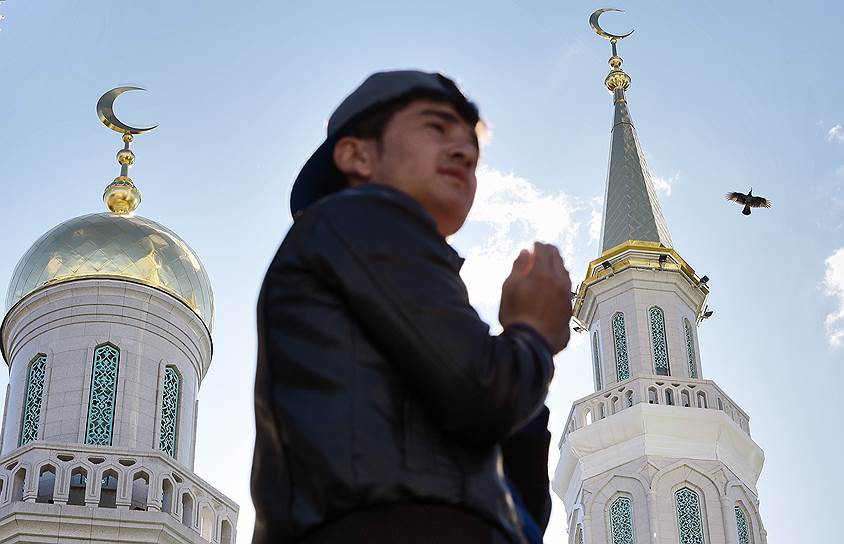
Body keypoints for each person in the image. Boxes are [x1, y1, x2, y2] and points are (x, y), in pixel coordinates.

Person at [251, 70, 572, 544]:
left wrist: (522, 347)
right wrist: (532, 334)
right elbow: (481, 391)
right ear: (357, 154)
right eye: (436, 127)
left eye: (472, 145)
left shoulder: (399, 277)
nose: (464, 152)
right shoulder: (357, 219)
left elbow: (520, 511)